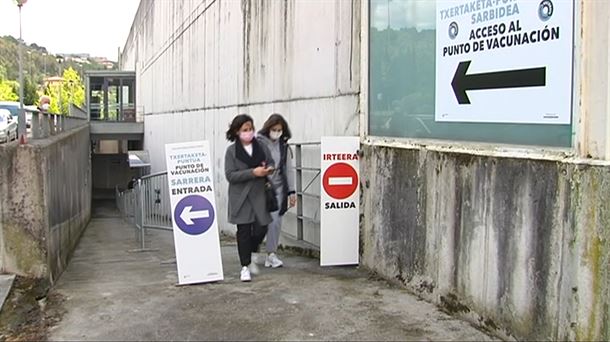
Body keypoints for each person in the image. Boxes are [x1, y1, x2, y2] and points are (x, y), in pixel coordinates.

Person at [224, 114, 275, 282]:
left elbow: (270, 162)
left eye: (251, 129)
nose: (249, 132)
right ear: (237, 132)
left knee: (262, 227)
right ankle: (244, 266)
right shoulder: (232, 151)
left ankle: (253, 252)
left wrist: (269, 169)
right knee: (244, 231)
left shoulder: (261, 146)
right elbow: (230, 175)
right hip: (241, 197)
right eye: (245, 130)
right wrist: (253, 172)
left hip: (259, 194)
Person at [257, 113, 296, 268]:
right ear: (268, 128)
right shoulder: (258, 143)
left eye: (279, 130)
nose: (277, 132)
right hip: (261, 186)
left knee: (275, 220)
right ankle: (249, 254)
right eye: (274, 129)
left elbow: (289, 170)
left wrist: (292, 192)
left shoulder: (284, 146)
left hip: (278, 188)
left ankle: (271, 254)